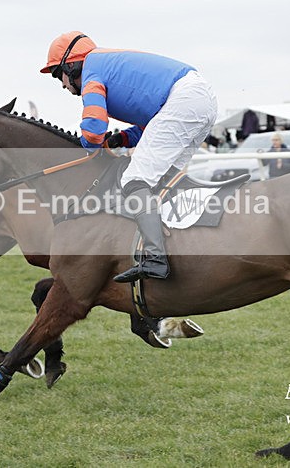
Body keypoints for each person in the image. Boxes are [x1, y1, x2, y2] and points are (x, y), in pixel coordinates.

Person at [41, 31, 217, 283]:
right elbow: (150, 127)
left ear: (71, 66)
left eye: (59, 75)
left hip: (186, 99)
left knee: (134, 181)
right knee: (161, 181)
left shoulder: (92, 74)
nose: (62, 85)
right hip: (198, 99)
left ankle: (156, 259)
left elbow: (92, 129)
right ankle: (181, 248)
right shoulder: (106, 66)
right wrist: (120, 140)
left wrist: (88, 149)